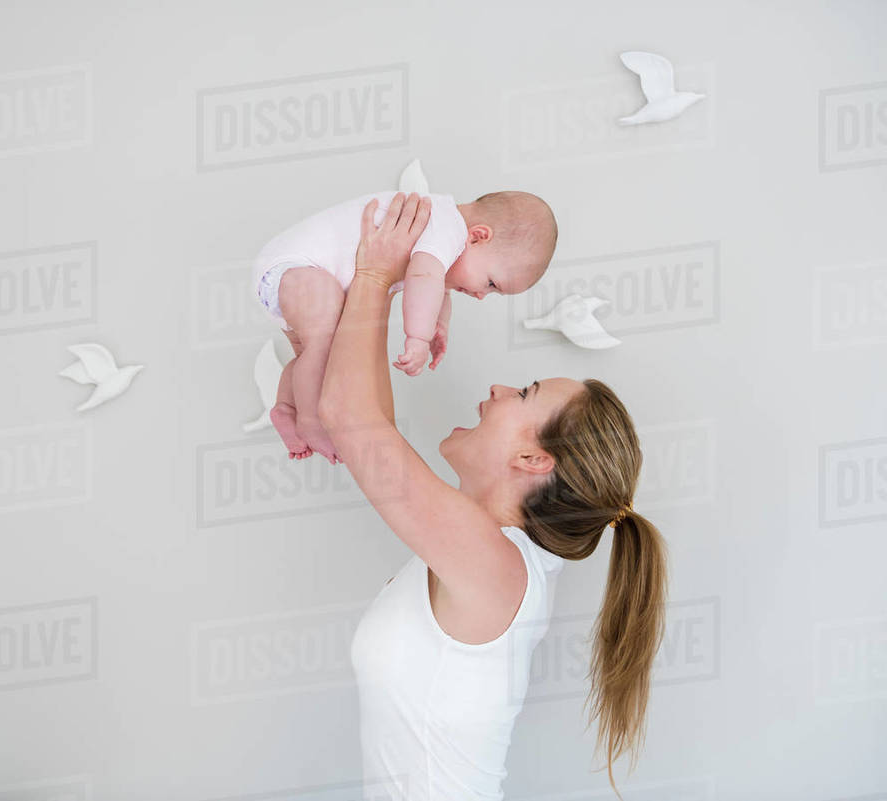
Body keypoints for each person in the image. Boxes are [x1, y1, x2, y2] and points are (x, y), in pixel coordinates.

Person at [319, 192, 668, 801]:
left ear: (534, 460)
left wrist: (376, 273)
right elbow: (368, 418)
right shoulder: (494, 556)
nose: (499, 388)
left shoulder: (498, 565)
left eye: (524, 393)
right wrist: (382, 284)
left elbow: (350, 419)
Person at [252, 188, 557, 464]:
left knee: (315, 353)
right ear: (478, 236)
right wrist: (418, 337)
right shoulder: (445, 226)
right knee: (323, 347)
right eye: (491, 283)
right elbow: (424, 279)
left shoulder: (442, 234)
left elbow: (437, 285)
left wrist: (440, 325)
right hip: (297, 268)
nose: (480, 295)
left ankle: (286, 408)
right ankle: (309, 420)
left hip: (296, 276)